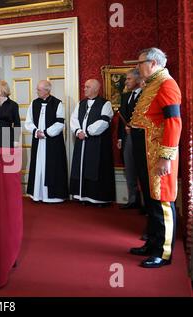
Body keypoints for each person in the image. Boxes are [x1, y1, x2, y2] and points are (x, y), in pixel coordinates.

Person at [129, 48, 182, 268]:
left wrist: (165, 157)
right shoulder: (152, 84)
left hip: (159, 153)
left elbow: (173, 122)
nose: (138, 67)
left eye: (140, 63)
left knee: (162, 201)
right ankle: (152, 243)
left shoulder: (167, 84)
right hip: (145, 151)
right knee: (151, 201)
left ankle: (163, 251)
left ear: (152, 63)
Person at [70, 79, 115, 206]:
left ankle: (97, 198)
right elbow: (74, 118)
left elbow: (104, 122)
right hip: (81, 140)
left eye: (87, 87)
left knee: (96, 167)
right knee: (82, 166)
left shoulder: (105, 104)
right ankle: (82, 196)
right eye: (85, 87)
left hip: (97, 142)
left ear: (96, 89)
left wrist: (88, 132)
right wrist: (78, 131)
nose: (84, 89)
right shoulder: (81, 103)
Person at [24, 80, 68, 202]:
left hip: (53, 142)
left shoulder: (57, 104)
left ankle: (53, 197)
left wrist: (46, 133)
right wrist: (36, 132)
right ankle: (37, 194)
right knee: (38, 165)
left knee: (52, 166)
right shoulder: (34, 103)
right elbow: (28, 121)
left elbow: (60, 123)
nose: (36, 91)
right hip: (38, 140)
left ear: (47, 90)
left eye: (39, 89)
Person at [117, 69, 143, 210]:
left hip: (142, 138)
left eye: (128, 79)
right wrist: (120, 137)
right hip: (127, 138)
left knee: (142, 170)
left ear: (138, 80)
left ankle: (145, 203)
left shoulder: (146, 95)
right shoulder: (125, 96)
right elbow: (122, 119)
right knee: (130, 169)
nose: (126, 82)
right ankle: (133, 199)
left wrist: (134, 128)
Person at [0, 80, 21, 148]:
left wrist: (16, 140)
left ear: (3, 89)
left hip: (8, 137)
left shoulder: (13, 105)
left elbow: (17, 123)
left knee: (6, 158)